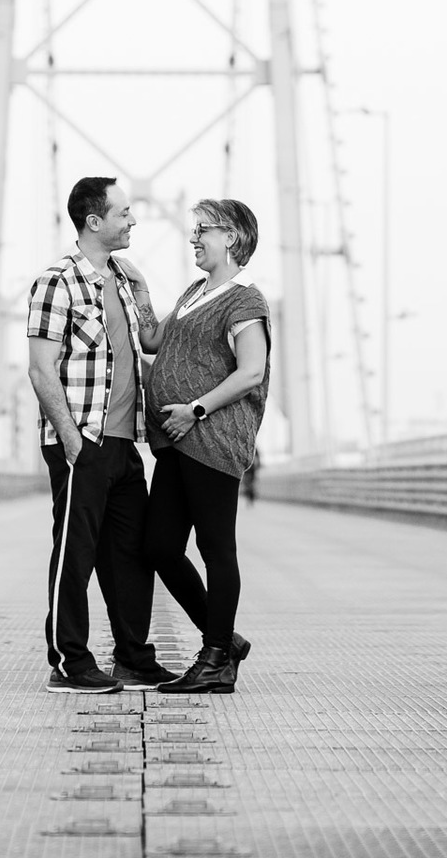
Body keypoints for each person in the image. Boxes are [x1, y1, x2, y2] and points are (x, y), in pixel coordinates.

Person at [26, 177, 178, 693]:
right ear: (94, 221)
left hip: (124, 443)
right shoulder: (57, 282)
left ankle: (133, 658)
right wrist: (71, 441)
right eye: (124, 213)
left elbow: (151, 343)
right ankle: (69, 664)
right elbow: (41, 370)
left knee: (131, 556)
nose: (133, 220)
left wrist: (145, 294)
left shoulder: (125, 280)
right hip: (82, 440)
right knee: (76, 554)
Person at [124, 197, 270, 694]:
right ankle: (224, 639)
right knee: (159, 546)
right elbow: (150, 340)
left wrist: (197, 409)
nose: (193, 238)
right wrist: (140, 288)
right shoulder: (193, 291)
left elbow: (252, 371)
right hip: (175, 443)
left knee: (215, 550)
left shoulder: (244, 300)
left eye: (203, 230)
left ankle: (215, 662)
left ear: (231, 237)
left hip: (211, 439)